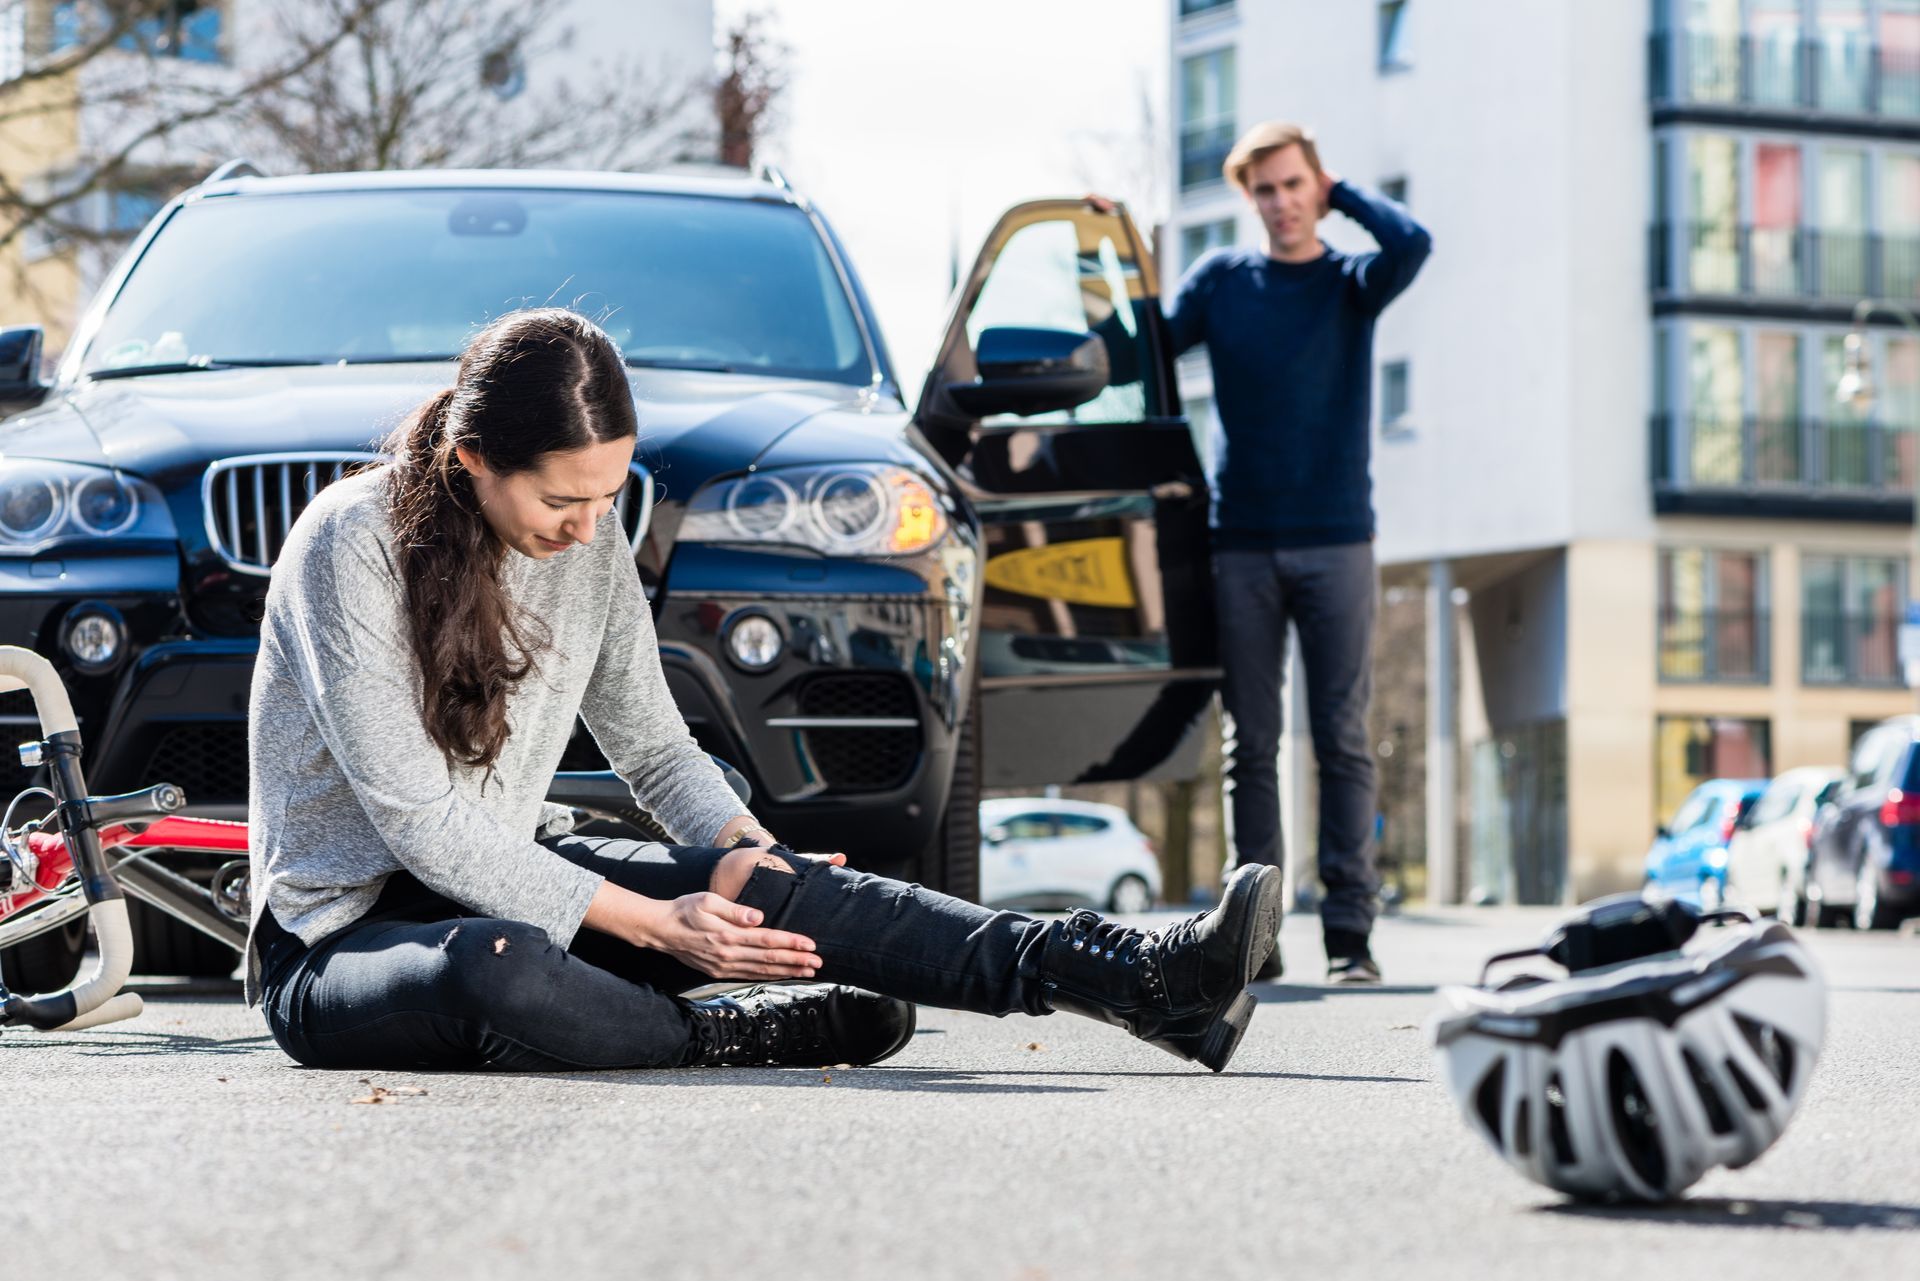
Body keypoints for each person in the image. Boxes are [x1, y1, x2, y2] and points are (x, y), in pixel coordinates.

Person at [244, 308, 1285, 1074]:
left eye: (609, 494)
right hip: (342, 943)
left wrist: (754, 855)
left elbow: (653, 749)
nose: (586, 524)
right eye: (563, 498)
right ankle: (722, 1033)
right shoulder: (352, 543)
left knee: (757, 881)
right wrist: (659, 927)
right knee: (496, 965)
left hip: (512, 868)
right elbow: (420, 824)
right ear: (473, 458)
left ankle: (1135, 980)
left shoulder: (589, 537)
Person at [1164, 122, 1432, 984]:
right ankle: (1257, 933)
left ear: (1315, 185)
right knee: (1252, 744)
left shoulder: (1353, 283)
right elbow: (1148, 342)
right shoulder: (1223, 283)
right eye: (1266, 191)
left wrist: (1343, 188)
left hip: (1338, 542)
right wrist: (1114, 244)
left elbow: (1413, 241)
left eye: (1293, 185)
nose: (1281, 203)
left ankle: (1351, 935)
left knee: (1344, 739)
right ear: (1250, 201)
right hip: (1240, 541)